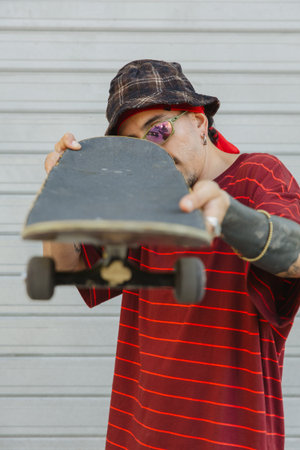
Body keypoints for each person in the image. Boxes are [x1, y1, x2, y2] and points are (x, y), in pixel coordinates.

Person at [44, 60, 300, 449]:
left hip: (229, 438)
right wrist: (58, 192)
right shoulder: (143, 200)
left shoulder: (258, 177)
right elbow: (72, 268)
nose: (151, 153)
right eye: (133, 146)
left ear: (199, 122)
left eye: (158, 130)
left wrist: (231, 215)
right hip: (136, 437)